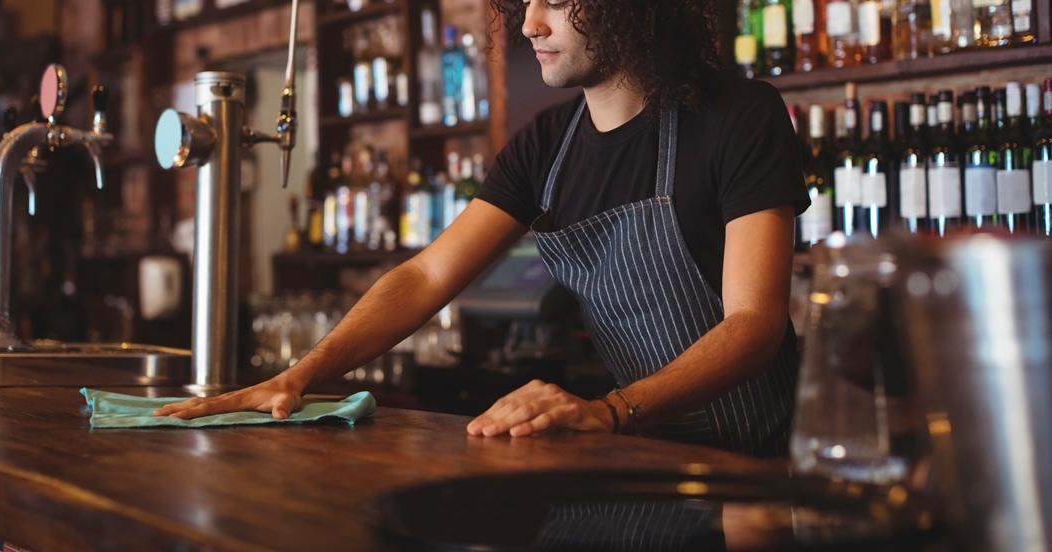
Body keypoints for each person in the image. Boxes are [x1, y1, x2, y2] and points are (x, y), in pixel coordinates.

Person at [154, 0, 809, 457]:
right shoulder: (546, 147)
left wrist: (611, 410)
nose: (529, 23)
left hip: (760, 462)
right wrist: (303, 374)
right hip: (643, 454)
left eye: (555, 0)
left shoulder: (738, 116)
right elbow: (424, 274)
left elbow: (754, 324)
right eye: (525, 0)